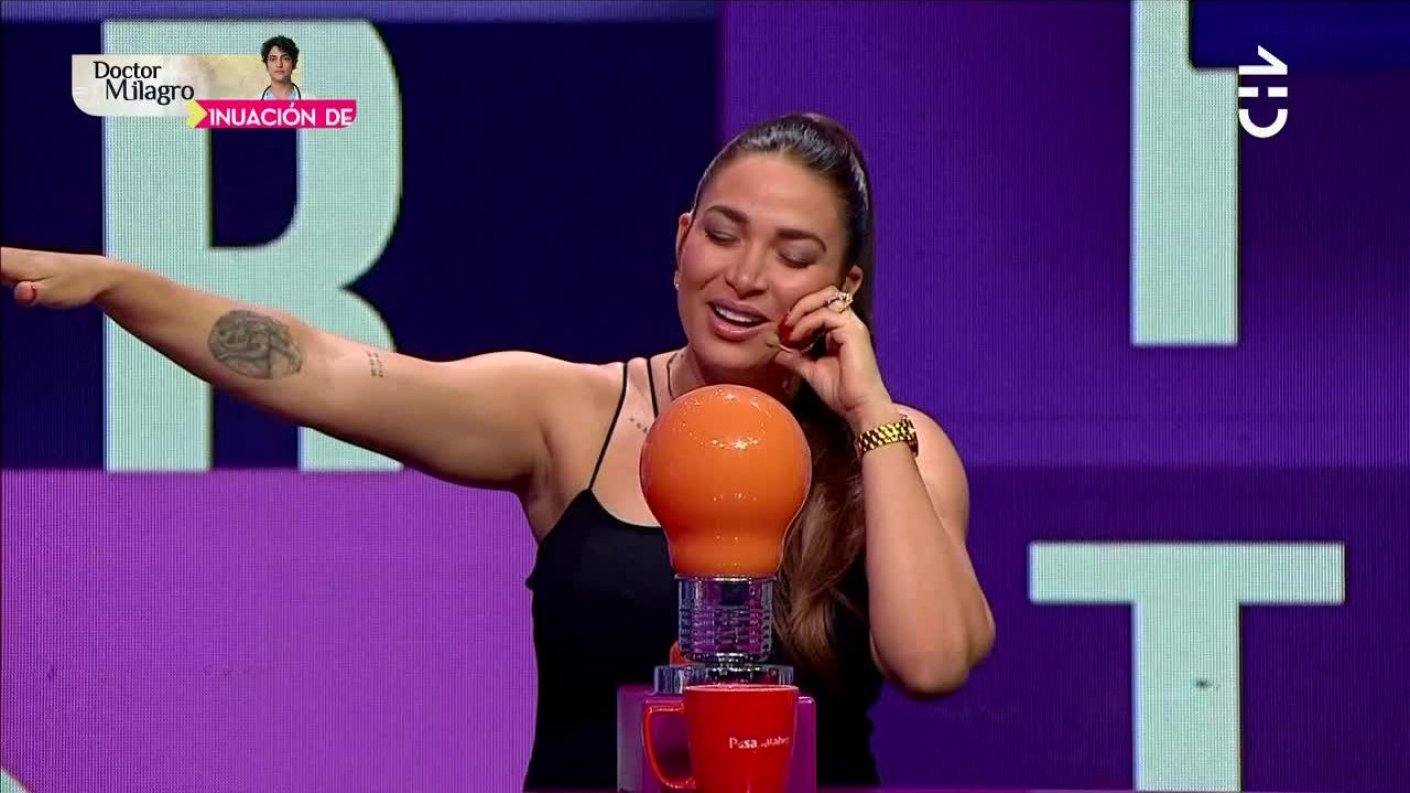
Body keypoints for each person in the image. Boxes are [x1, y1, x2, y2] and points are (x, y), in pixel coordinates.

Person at [1, 112, 995, 789]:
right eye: (724, 235)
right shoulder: (569, 415)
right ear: (682, 240)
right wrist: (125, 285)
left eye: (793, 254)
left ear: (844, 286)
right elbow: (324, 370)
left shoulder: (894, 448)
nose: (744, 276)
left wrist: (868, 411)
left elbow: (931, 660)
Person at [258, 35, 302, 100]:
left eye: (285, 58)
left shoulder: (312, 101)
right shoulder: (252, 103)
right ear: (266, 64)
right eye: (273, 59)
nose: (279, 64)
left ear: (294, 63)